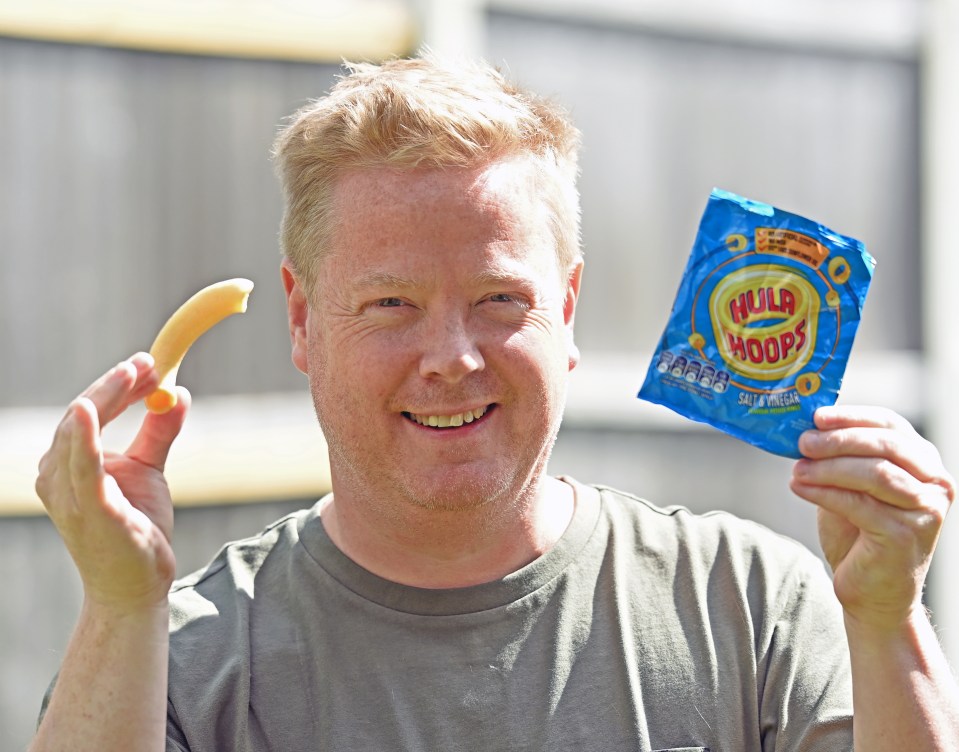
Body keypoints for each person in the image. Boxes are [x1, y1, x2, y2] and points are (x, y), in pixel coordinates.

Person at [31, 54, 959, 752]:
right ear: (304, 320)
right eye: (390, 304)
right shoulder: (179, 658)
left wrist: (887, 625)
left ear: (565, 309)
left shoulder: (753, 608)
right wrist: (118, 606)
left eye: (499, 300)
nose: (451, 358)